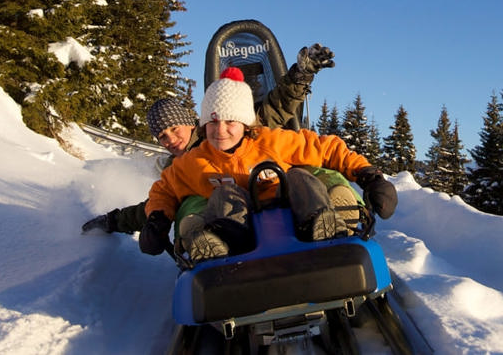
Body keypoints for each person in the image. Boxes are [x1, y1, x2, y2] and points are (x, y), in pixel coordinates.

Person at [137, 67, 398, 263]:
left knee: (298, 176)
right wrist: (157, 220)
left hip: (295, 217)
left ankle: (326, 221)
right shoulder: (196, 161)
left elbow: (325, 148)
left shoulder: (270, 141)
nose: (221, 131)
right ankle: (216, 246)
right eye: (213, 123)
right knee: (223, 194)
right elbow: (165, 189)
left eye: (231, 122)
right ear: (204, 126)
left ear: (245, 123)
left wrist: (369, 176)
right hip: (242, 232)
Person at [81, 43, 340, 234]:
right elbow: (157, 204)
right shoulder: (179, 168)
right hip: (226, 232)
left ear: (189, 122)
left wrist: (302, 74)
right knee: (192, 205)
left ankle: (332, 218)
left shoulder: (233, 129)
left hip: (274, 213)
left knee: (305, 176)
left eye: (174, 129)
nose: (170, 139)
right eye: (162, 136)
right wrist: (114, 221)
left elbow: (278, 106)